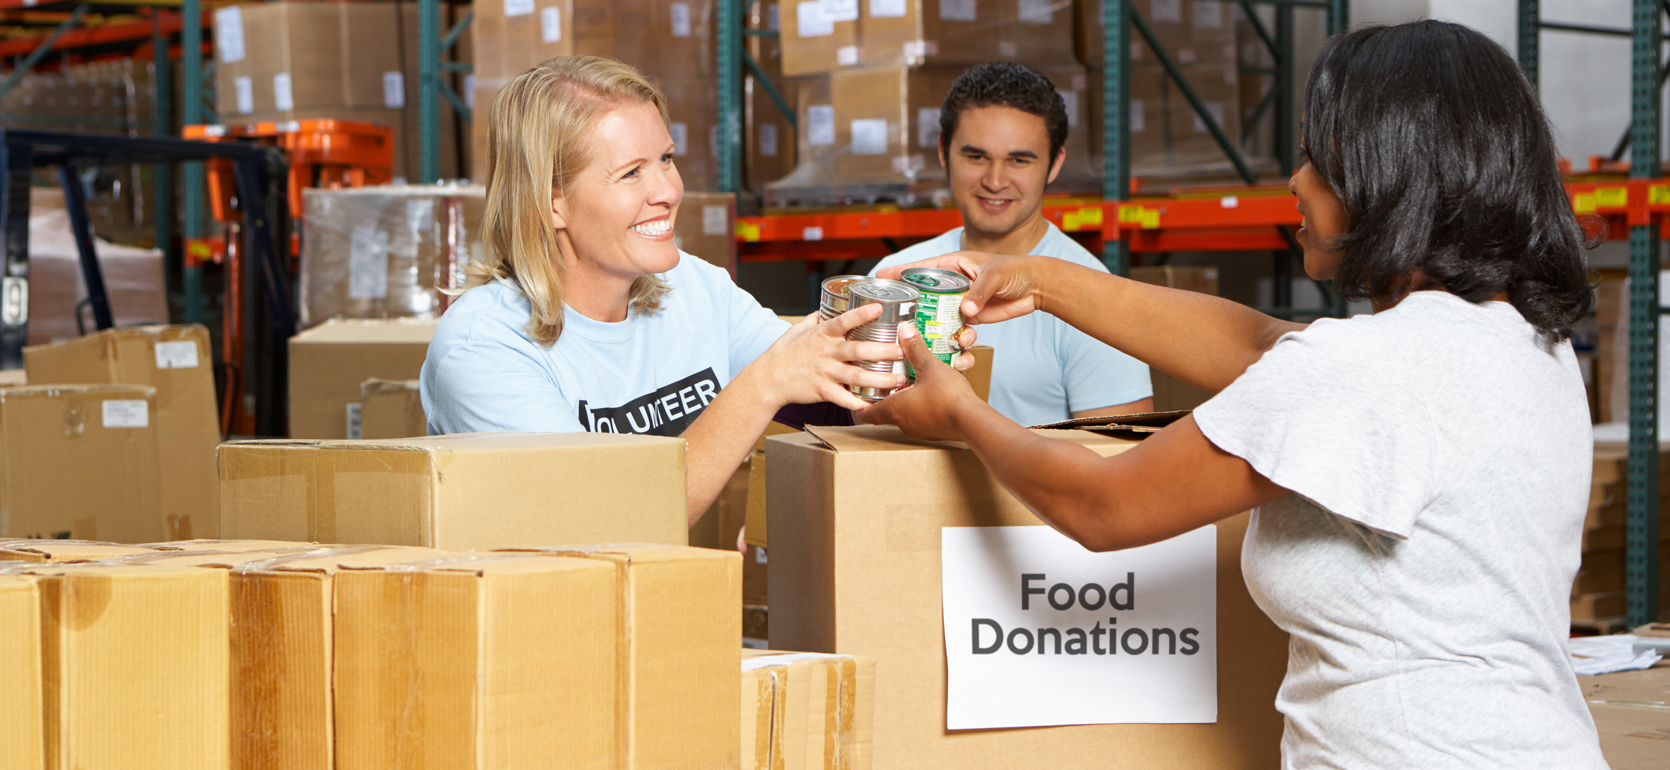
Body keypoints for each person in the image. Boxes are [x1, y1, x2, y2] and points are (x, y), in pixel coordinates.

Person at [865, 21, 1607, 768]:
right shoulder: (1514, 342)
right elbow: (1260, 347)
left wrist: (959, 413)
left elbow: (1102, 506)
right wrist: (1043, 281)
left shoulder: (1368, 368)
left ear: (1390, 174)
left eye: (1318, 158)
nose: (1296, 180)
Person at [420, 56, 974, 524]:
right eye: (631, 173)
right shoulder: (484, 348)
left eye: (665, 159)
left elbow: (831, 408)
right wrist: (763, 385)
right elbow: (610, 523)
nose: (667, 190)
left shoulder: (692, 286)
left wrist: (899, 367)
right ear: (551, 201)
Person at [866, 62, 1152, 426]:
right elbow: (855, 428)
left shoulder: (1093, 295)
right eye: (976, 156)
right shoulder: (895, 277)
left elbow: (1121, 458)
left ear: (1054, 164)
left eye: (1019, 160)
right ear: (943, 152)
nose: (995, 180)